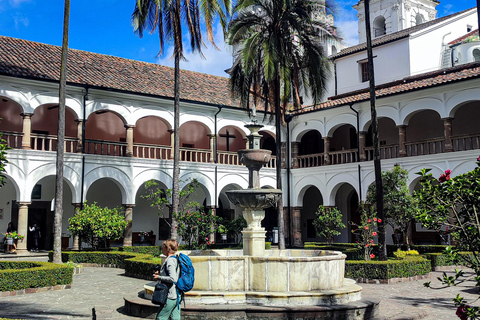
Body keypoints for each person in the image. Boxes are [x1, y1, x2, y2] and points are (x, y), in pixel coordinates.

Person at [153, 239, 180, 320]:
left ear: (168, 249)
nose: (162, 249)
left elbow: (173, 278)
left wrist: (159, 277)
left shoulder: (170, 261)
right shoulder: (176, 259)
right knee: (175, 318)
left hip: (170, 295)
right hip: (177, 295)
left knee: (161, 318)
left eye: (163, 247)